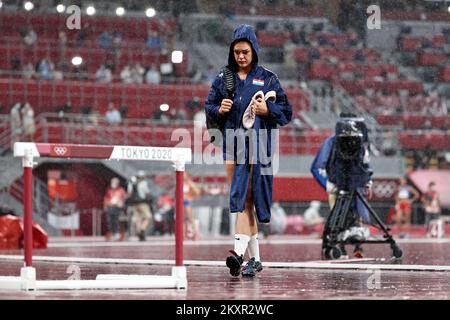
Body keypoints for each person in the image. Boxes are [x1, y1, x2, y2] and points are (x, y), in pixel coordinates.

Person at [205, 25, 292, 277]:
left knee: (246, 199)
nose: (240, 57)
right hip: (231, 145)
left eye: (245, 51)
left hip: (257, 146)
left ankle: (237, 252)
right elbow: (209, 106)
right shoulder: (223, 79)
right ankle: (255, 260)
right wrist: (218, 109)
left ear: (254, 50)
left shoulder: (268, 79)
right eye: (236, 52)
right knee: (241, 200)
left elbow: (286, 112)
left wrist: (268, 111)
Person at [310, 113, 373, 258]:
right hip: (338, 185)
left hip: (354, 184)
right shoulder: (331, 142)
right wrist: (328, 185)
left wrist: (367, 181)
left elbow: (364, 164)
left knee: (357, 216)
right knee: (338, 216)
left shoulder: (360, 142)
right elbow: (316, 167)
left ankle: (357, 245)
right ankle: (339, 246)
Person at [126, 171, 153, 241]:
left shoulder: (131, 183)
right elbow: (147, 193)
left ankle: (139, 232)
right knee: (148, 217)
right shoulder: (144, 183)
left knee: (138, 218)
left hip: (135, 203)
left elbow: (129, 193)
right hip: (142, 203)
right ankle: (142, 229)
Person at [183, 172, 202, 240]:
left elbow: (197, 191)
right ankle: (183, 235)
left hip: (187, 201)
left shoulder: (189, 182)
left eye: (184, 174)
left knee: (190, 218)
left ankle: (195, 234)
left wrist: (191, 197)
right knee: (182, 219)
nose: (183, 175)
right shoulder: (179, 182)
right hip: (180, 202)